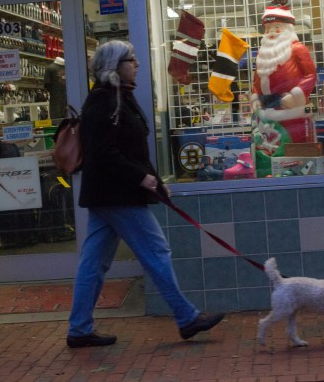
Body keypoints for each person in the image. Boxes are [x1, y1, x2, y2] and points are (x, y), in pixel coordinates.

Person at [67, 40, 224, 348]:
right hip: (118, 195)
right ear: (115, 66)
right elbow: (103, 153)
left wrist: (154, 180)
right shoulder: (105, 100)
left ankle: (79, 328)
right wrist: (141, 177)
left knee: (94, 263)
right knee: (156, 251)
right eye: (131, 59)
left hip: (110, 194)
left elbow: (131, 149)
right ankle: (186, 317)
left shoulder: (117, 96)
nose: (137, 64)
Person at [250, 0, 316, 177]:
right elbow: (258, 78)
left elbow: (311, 75)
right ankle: (267, 173)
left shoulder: (298, 49)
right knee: (267, 148)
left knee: (293, 147)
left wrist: (296, 95)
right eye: (268, 28)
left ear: (287, 28)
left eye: (276, 27)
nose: (271, 32)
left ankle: (294, 174)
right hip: (267, 111)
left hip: (291, 110)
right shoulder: (263, 54)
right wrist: (255, 97)